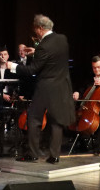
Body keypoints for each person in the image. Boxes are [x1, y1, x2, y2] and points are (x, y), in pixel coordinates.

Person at [11, 14, 74, 164]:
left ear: (39, 28)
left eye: (35, 29)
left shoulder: (44, 46)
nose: (35, 32)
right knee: (56, 121)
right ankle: (54, 156)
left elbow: (32, 69)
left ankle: (33, 153)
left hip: (46, 87)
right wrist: (37, 51)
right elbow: (53, 56)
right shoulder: (62, 39)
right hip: (61, 86)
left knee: (34, 118)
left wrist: (13, 66)